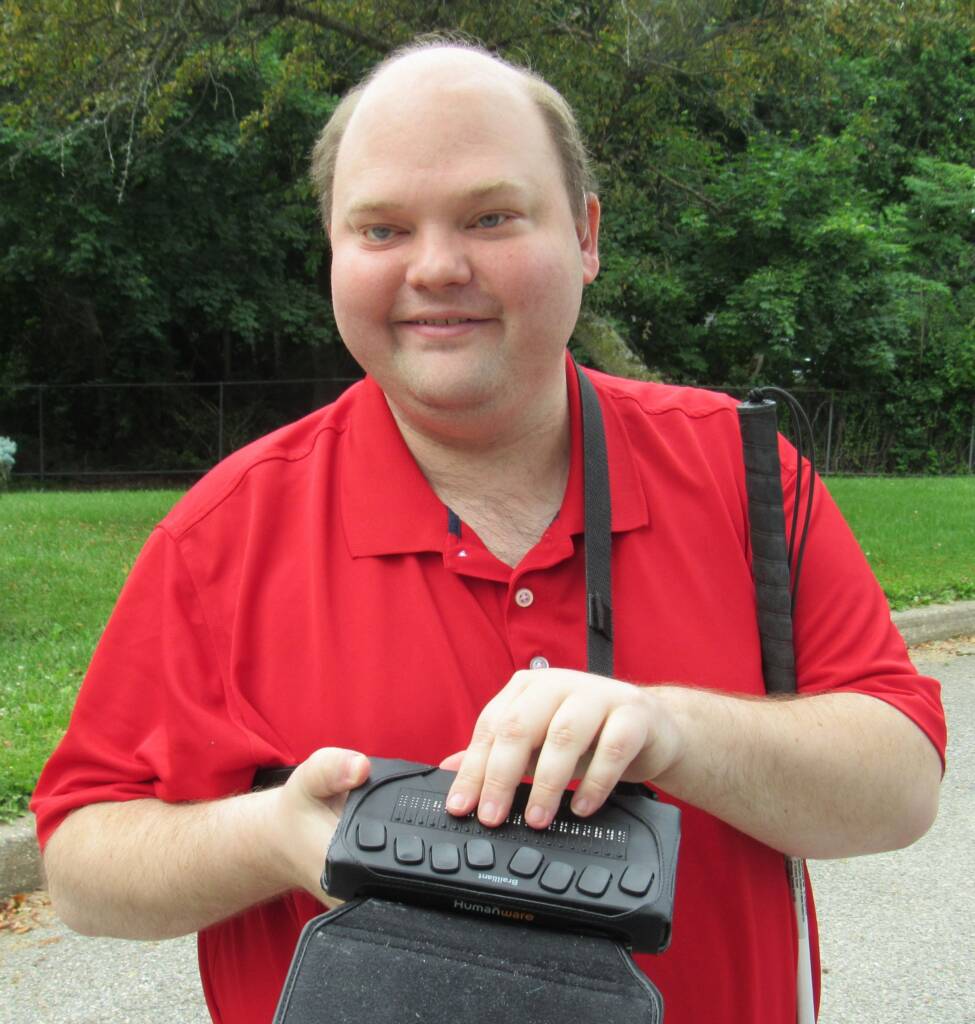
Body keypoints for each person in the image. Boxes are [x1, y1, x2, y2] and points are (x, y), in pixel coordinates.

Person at [32, 38, 945, 1024]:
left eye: (491, 217)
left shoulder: (743, 474)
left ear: (587, 234)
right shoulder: (219, 541)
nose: (436, 267)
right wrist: (276, 835)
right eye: (381, 229)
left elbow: (900, 785)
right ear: (333, 252)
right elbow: (82, 867)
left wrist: (676, 730)